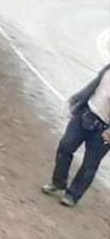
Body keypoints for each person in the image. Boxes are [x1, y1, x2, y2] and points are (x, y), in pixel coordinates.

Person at [42, 64, 110, 206]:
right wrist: (76, 99)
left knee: (89, 164)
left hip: (105, 130)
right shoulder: (108, 68)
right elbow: (94, 85)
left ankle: (73, 195)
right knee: (65, 146)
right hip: (86, 113)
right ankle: (58, 182)